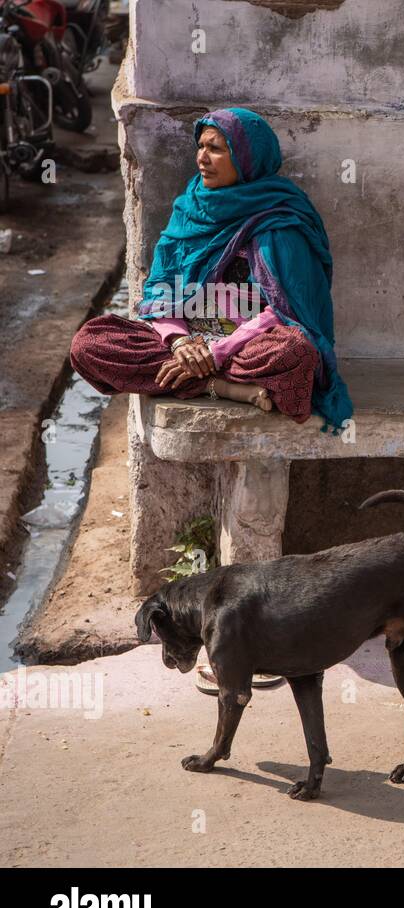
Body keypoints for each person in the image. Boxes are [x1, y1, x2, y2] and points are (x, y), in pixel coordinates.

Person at [70, 107, 355, 693]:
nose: (203, 158)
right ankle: (226, 393)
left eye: (217, 149)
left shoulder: (279, 218)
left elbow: (290, 312)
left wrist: (218, 351)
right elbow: (157, 296)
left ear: (247, 158)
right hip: (192, 349)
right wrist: (184, 344)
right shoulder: (190, 208)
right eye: (200, 146)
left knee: (296, 358)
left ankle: (223, 379)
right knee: (91, 341)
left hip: (247, 346)